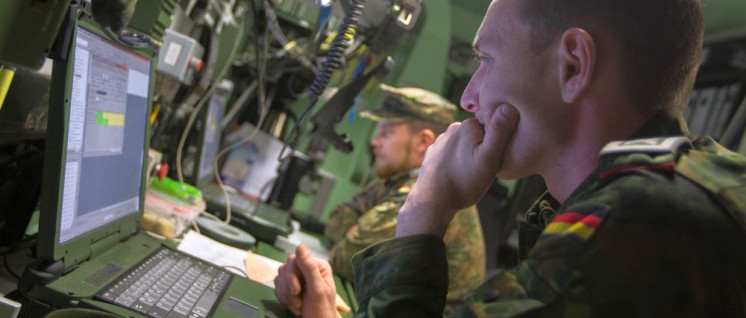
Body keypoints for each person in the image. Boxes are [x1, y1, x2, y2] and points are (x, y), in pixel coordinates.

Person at [275, 0, 746, 317]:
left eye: (487, 60)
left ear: (573, 67)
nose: (468, 96)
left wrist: (426, 210)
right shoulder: (686, 184)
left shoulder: (636, 221)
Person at [321, 84, 486, 311]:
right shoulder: (397, 180)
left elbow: (346, 258)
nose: (374, 141)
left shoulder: (429, 195)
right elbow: (338, 217)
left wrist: (352, 233)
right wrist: (352, 231)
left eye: (386, 132)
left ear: (422, 142)